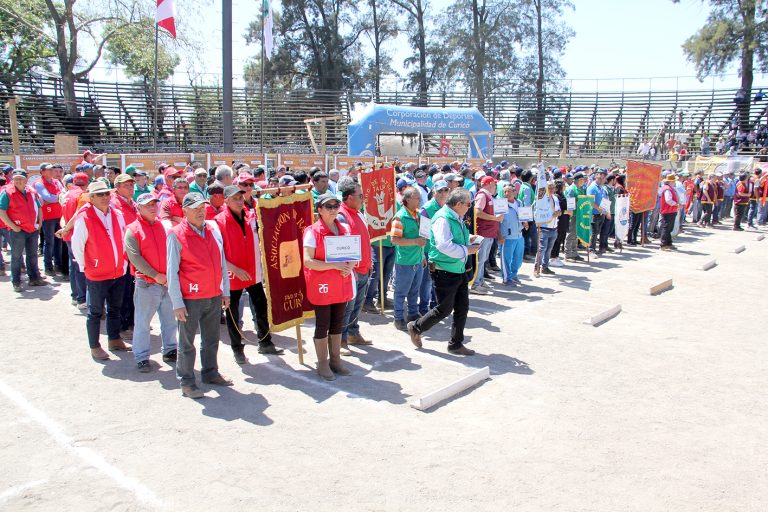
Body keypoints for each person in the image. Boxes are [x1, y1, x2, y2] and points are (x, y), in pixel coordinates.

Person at [167, 192, 233, 399]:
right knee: (187, 343)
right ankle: (187, 382)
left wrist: (225, 291)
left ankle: (210, 372)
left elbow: (221, 263)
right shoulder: (176, 234)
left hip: (213, 295)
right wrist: (177, 303)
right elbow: (172, 272)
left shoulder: (213, 230)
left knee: (211, 338)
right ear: (184, 211)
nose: (200, 212)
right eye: (195, 208)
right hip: (190, 298)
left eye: (202, 208)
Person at [406, 188, 480, 356]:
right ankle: (416, 327)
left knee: (462, 307)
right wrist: (466, 250)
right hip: (444, 270)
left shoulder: (455, 216)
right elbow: (443, 245)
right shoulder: (443, 218)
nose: (470, 206)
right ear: (459, 204)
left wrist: (468, 239)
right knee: (444, 309)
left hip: (457, 268)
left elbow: (453, 239)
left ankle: (455, 344)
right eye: (469, 204)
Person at [216, 185, 283, 365]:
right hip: (232, 274)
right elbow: (217, 253)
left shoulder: (251, 216)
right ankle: (237, 349)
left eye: (240, 197)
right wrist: (234, 269)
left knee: (261, 305)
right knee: (233, 313)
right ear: (226, 201)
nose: (239, 201)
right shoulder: (218, 222)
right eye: (235, 198)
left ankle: (265, 341)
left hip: (253, 272)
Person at [71, 181, 130, 360]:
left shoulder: (117, 214)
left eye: (106, 193)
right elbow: (77, 245)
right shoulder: (84, 217)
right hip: (97, 273)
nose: (104, 197)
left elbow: (122, 238)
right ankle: (95, 345)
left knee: (115, 308)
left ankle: (114, 339)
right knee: (95, 312)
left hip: (117, 270)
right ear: (91, 198)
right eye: (100, 194)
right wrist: (86, 266)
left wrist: (124, 262)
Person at [302, 193, 356, 380]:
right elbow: (308, 261)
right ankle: (322, 362)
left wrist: (350, 265)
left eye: (336, 206)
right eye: (329, 206)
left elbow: (352, 254)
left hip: (341, 281)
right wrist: (333, 265)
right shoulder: (312, 231)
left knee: (337, 322)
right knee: (323, 323)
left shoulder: (344, 229)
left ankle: (335, 359)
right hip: (322, 284)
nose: (333, 209)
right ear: (319, 210)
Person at [123, 193, 177, 372]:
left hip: (166, 282)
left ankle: (170, 349)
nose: (153, 208)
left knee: (169, 320)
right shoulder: (133, 229)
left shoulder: (164, 226)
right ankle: (142, 357)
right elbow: (135, 258)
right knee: (143, 323)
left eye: (154, 204)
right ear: (138, 208)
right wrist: (156, 275)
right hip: (147, 283)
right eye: (148, 205)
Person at [336, 177, 374, 349]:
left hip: (364, 268)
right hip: (352, 271)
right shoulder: (342, 216)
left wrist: (369, 262)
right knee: (347, 308)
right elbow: (342, 247)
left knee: (357, 306)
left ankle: (353, 333)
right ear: (349, 198)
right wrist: (351, 269)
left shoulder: (358, 213)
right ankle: (341, 340)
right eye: (360, 196)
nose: (363, 199)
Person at [0, 170, 46, 292]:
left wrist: (40, 222)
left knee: (32, 255)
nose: (18, 181)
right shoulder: (7, 193)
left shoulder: (31, 192)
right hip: (18, 230)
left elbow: (39, 207)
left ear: (26, 180)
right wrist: (12, 226)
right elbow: (1, 211)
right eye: (16, 179)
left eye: (20, 178)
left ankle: (34, 278)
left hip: (32, 229)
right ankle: (16, 282)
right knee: (16, 257)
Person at [391, 186, 426, 331]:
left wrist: (422, 255)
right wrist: (415, 242)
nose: (420, 200)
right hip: (405, 261)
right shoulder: (400, 217)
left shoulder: (418, 214)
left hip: (417, 259)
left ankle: (412, 313)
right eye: (417, 197)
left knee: (414, 290)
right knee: (401, 291)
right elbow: (394, 240)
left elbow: (422, 238)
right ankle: (398, 317)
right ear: (408, 200)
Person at [418, 180, 450, 314]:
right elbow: (423, 233)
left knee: (437, 280)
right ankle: (423, 307)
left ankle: (434, 305)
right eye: (440, 191)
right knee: (426, 282)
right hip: (429, 251)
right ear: (434, 192)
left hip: (441, 250)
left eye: (445, 190)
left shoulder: (447, 207)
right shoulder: (427, 209)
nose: (443, 193)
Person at [61, 172, 89, 308]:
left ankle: (75, 295)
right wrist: (66, 228)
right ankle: (81, 298)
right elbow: (77, 215)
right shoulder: (82, 195)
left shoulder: (67, 194)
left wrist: (64, 229)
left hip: (68, 235)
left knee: (73, 267)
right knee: (80, 267)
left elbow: (63, 216)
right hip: (75, 234)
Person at [471, 176, 503, 295]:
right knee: (480, 259)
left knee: (483, 259)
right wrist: (494, 218)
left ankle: (480, 280)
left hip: (488, 232)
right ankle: (475, 284)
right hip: (483, 232)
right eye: (494, 184)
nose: (495, 187)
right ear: (489, 184)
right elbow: (477, 212)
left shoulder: (487, 195)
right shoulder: (482, 195)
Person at [34, 163, 65, 276]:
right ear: (42, 171)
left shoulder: (56, 182)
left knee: (59, 241)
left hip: (59, 215)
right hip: (48, 217)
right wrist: (58, 198)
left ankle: (58, 264)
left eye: (52, 169)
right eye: (49, 170)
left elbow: (63, 195)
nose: (52, 171)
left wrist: (54, 198)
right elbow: (48, 198)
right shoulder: (39, 183)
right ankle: (48, 266)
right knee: (49, 242)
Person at [498, 181, 527, 285]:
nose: (507, 194)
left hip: (519, 235)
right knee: (506, 259)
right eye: (505, 192)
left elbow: (524, 216)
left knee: (518, 259)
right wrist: (499, 236)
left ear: (515, 192)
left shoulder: (519, 202)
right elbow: (497, 222)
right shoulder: (501, 205)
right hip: (507, 237)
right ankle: (506, 278)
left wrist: (525, 223)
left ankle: (514, 275)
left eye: (509, 191)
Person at [535, 181, 562, 276]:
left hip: (554, 227)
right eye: (549, 187)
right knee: (542, 249)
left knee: (549, 249)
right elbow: (537, 210)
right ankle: (537, 267)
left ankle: (545, 267)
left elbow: (559, 210)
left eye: (552, 187)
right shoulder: (541, 199)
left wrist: (558, 213)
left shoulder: (555, 198)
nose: (551, 189)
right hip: (544, 227)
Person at [587, 169, 610, 256]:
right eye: (601, 178)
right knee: (593, 232)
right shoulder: (592, 187)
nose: (603, 180)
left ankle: (594, 248)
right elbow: (589, 200)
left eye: (604, 178)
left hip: (601, 213)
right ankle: (591, 249)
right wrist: (598, 208)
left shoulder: (603, 188)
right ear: (597, 177)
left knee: (597, 232)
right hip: (594, 213)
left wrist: (606, 211)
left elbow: (606, 199)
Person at [564, 171, 586, 259]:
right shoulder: (571, 189)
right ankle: (568, 252)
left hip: (579, 214)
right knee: (571, 233)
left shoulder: (581, 189)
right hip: (573, 214)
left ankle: (574, 251)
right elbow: (569, 203)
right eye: (582, 179)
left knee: (576, 234)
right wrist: (578, 201)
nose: (584, 181)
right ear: (578, 180)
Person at [658, 173, 679, 251]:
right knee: (666, 227)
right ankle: (663, 244)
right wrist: (676, 204)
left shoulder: (668, 188)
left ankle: (668, 242)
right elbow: (668, 200)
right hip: (668, 210)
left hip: (670, 210)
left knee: (669, 227)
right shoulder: (667, 189)